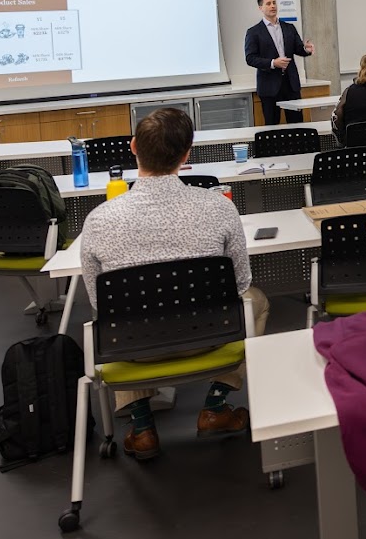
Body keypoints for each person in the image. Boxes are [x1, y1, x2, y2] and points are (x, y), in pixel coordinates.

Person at [79, 107, 269, 460]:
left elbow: (97, 301)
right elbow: (241, 283)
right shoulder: (219, 208)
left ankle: (141, 426)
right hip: (210, 337)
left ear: (133, 147)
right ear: (187, 155)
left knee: (115, 315)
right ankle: (215, 406)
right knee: (255, 300)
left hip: (136, 347)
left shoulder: (99, 220)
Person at [244, 0, 313, 126]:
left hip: (290, 83)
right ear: (260, 8)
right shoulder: (254, 32)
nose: (273, 6)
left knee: (297, 123)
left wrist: (306, 50)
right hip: (269, 85)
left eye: (274, 3)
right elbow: (250, 58)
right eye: (268, 3)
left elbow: (299, 49)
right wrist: (272, 63)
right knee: (272, 125)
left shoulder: (289, 28)